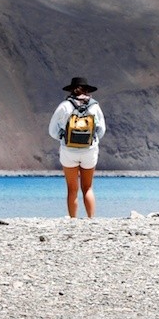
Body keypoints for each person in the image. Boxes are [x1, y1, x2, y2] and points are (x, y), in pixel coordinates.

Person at [49, 77, 107, 218]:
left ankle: (73, 220)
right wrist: (92, 140)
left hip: (69, 151)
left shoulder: (64, 106)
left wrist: (63, 138)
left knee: (72, 189)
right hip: (89, 150)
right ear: (87, 90)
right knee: (87, 187)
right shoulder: (94, 106)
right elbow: (102, 130)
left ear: (71, 90)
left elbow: (52, 130)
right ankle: (91, 218)